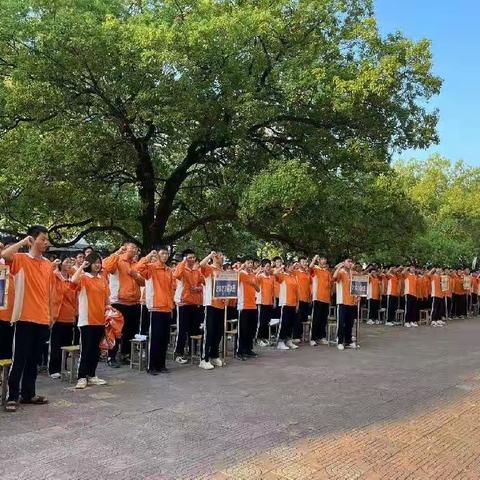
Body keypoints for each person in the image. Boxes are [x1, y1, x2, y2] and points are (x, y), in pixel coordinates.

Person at [1, 227, 52, 412]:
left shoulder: (47, 264)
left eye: (47, 240)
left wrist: (50, 315)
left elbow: (48, 292)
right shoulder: (21, 259)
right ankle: (12, 396)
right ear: (33, 239)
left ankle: (28, 394)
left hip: (42, 317)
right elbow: (4, 255)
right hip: (23, 317)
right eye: (43, 239)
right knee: (19, 358)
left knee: (34, 359)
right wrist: (23, 242)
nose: (46, 243)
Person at [70, 253, 109, 388]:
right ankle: (81, 377)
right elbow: (73, 281)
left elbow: (107, 299)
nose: (97, 265)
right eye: (94, 262)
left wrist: (109, 312)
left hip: (100, 320)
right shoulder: (84, 278)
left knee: (95, 350)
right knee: (86, 349)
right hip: (87, 320)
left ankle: (92, 375)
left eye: (99, 262)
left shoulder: (102, 279)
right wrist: (81, 266)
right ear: (89, 264)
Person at [134, 248, 175, 375]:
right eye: (162, 253)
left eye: (166, 253)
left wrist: (171, 305)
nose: (165, 255)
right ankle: (151, 366)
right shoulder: (151, 268)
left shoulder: (168, 270)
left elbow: (171, 289)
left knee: (164, 338)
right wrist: (147, 256)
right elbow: (138, 268)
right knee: (155, 338)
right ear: (157, 255)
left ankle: (161, 364)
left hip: (167, 307)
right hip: (155, 307)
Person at [103, 242, 144, 367]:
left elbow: (143, 282)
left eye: (136, 248)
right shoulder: (117, 260)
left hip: (134, 302)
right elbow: (107, 266)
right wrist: (117, 253)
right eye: (132, 247)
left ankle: (126, 355)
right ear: (124, 248)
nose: (134, 250)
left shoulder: (136, 264)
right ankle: (111, 356)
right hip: (119, 302)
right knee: (115, 331)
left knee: (130, 331)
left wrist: (136, 275)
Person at [173, 249, 204, 365]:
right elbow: (176, 275)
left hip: (195, 303)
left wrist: (198, 288)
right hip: (183, 303)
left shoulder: (197, 270)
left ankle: (192, 351)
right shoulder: (181, 268)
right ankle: (179, 353)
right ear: (184, 258)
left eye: (193, 257)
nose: (192, 260)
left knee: (195, 329)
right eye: (189, 258)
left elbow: (202, 282)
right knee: (182, 329)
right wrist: (182, 263)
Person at [48, 255, 77, 378]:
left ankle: (63, 367)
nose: (68, 264)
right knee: (56, 344)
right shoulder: (55, 276)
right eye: (66, 261)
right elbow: (46, 275)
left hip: (69, 315)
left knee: (67, 344)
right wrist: (53, 264)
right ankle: (54, 369)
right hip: (57, 315)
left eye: (70, 262)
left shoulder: (72, 278)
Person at [199, 251, 226, 370]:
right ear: (215, 258)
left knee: (218, 332)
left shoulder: (223, 271)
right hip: (210, 304)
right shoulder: (210, 269)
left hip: (221, 305)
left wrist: (226, 298)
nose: (222, 258)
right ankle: (204, 359)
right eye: (220, 256)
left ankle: (214, 356)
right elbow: (201, 265)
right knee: (209, 332)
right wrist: (210, 255)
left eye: (223, 256)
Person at [237, 257, 260, 360]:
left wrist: (255, 284)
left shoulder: (253, 275)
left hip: (253, 305)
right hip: (243, 306)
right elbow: (232, 278)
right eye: (248, 263)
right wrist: (239, 268)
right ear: (244, 264)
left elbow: (258, 289)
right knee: (243, 330)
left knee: (251, 330)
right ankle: (239, 352)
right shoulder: (241, 274)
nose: (250, 264)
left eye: (252, 263)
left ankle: (248, 350)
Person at [333, 259, 358, 351]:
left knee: (349, 323)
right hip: (342, 301)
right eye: (348, 261)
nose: (351, 263)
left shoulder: (353, 273)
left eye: (352, 262)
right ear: (344, 263)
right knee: (341, 322)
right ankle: (339, 341)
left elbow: (357, 286)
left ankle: (348, 341)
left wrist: (358, 296)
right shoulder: (341, 272)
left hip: (351, 302)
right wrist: (339, 267)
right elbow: (334, 277)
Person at [274, 261, 299, 350]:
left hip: (293, 303)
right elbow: (275, 273)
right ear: (287, 267)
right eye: (291, 266)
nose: (292, 268)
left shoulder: (294, 277)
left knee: (290, 323)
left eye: (292, 266)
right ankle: (280, 342)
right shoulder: (282, 275)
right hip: (285, 303)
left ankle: (288, 340)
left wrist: (297, 304)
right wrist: (281, 267)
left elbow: (297, 292)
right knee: (284, 323)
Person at [310, 255, 332, 345]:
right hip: (317, 297)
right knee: (316, 319)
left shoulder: (327, 271)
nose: (324, 261)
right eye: (322, 259)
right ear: (319, 260)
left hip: (326, 298)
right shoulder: (315, 269)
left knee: (323, 319)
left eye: (325, 259)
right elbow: (310, 267)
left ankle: (321, 337)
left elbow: (331, 283)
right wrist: (314, 259)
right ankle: (313, 338)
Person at [0, 241, 15, 360]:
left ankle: (3, 377)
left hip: (11, 317)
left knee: (7, 349)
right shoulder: (2, 267)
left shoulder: (18, 270)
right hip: (1, 316)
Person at [256, 259, 275, 347]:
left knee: (267, 322)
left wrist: (273, 301)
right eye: (267, 266)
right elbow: (254, 282)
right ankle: (258, 339)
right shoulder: (260, 276)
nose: (269, 268)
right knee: (261, 322)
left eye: (269, 266)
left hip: (269, 302)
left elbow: (273, 290)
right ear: (263, 267)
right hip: (261, 302)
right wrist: (258, 272)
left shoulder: (271, 277)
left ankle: (265, 338)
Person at [293, 257, 311, 343]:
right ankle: (295, 336)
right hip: (298, 299)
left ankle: (302, 336)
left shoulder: (307, 273)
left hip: (306, 299)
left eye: (306, 262)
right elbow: (287, 271)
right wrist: (294, 265)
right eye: (303, 262)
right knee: (297, 319)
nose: (305, 263)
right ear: (299, 263)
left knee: (304, 318)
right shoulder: (295, 272)